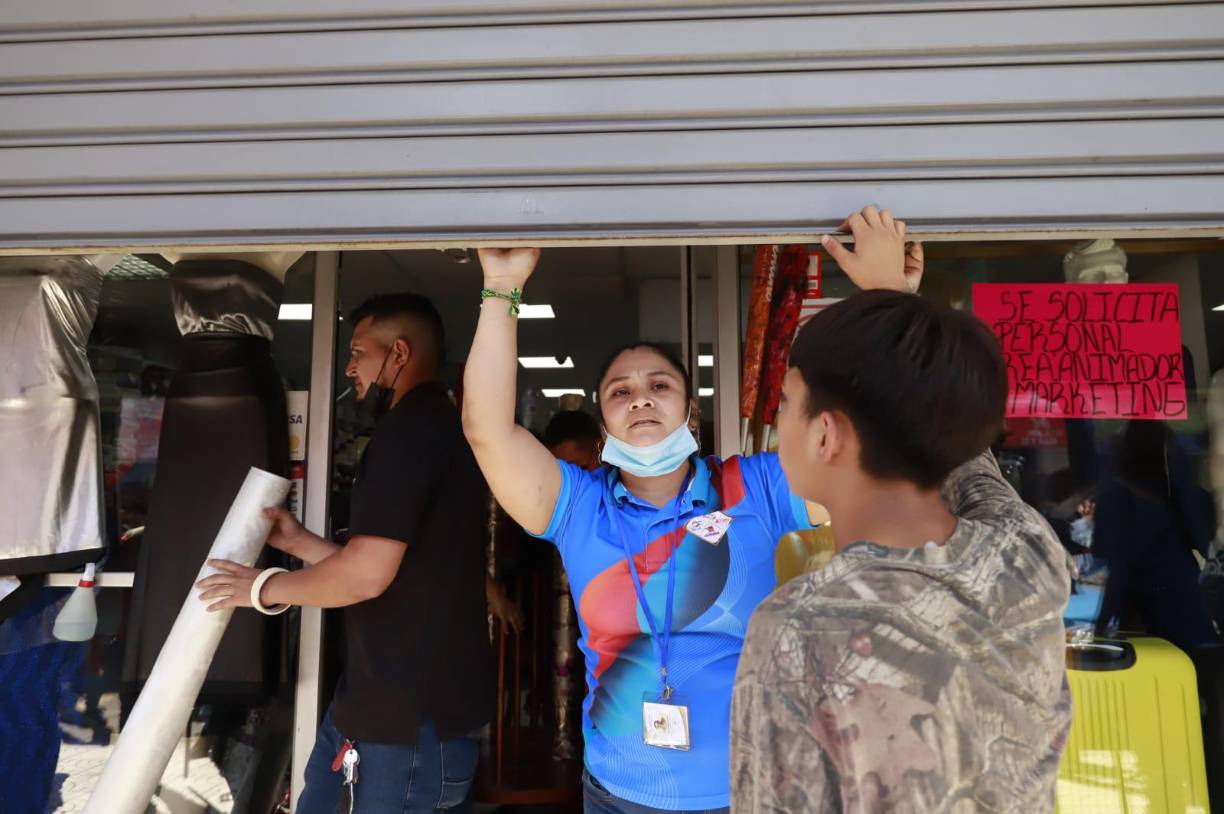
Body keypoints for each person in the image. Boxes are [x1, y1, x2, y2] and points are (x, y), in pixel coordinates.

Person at [460, 211, 921, 814]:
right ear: (604, 429)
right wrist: (501, 287)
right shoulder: (578, 505)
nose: (641, 397)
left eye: (660, 385)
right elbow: (486, 429)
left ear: (692, 417)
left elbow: (871, 439)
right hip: (617, 795)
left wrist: (887, 300)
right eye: (620, 392)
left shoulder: (755, 487)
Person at [730, 213, 1073, 812]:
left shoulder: (799, 629)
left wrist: (892, 306)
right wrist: (891, 307)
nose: (777, 420)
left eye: (786, 403)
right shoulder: (1024, 555)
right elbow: (950, 440)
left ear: (825, 436)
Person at [197, 293, 493, 813]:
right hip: (379, 708)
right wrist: (299, 544)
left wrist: (261, 588)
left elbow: (365, 578)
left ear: (398, 354)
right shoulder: (432, 428)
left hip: (404, 722)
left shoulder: (410, 433)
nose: (350, 365)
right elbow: (394, 568)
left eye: (359, 351)